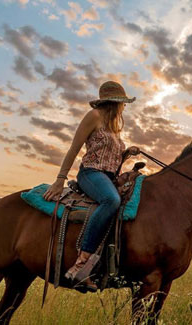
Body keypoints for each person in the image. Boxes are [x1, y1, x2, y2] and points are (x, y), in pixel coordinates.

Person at [42, 80, 140, 291]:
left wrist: (126, 152)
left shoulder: (113, 127)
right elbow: (74, 148)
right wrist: (60, 179)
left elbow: (109, 157)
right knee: (111, 200)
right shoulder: (94, 116)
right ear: (114, 102)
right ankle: (80, 266)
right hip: (90, 173)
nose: (124, 107)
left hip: (108, 176)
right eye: (123, 103)